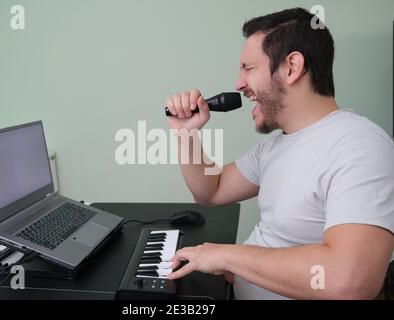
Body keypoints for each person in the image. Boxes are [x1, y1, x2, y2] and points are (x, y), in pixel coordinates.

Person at [164, 7, 394, 299]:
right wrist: (186, 132)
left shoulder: (360, 146)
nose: (239, 84)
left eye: (248, 68)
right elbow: (211, 190)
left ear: (291, 67)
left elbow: (349, 282)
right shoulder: (275, 147)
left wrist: (228, 257)